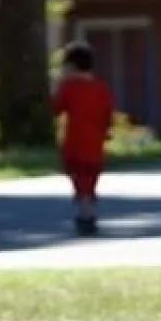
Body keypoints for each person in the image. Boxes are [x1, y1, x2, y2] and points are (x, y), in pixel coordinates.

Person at [51, 40, 115, 236]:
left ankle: (84, 213)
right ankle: (89, 211)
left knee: (79, 179)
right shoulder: (101, 88)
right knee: (91, 178)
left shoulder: (68, 87)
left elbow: (56, 108)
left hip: (74, 142)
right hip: (95, 143)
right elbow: (107, 115)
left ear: (70, 65)